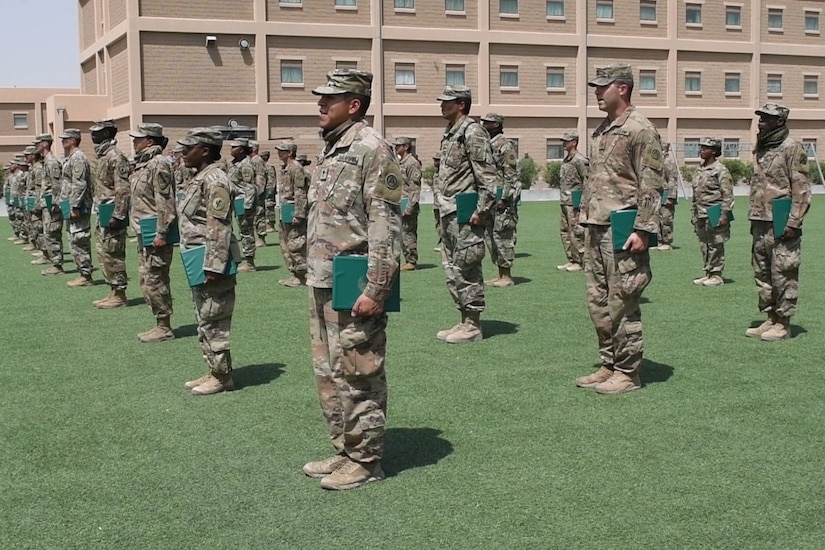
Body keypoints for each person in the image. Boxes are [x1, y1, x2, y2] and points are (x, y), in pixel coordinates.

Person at [302, 68, 402, 490]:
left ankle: (366, 459)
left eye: (331, 98)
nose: (321, 104)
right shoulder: (332, 149)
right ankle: (345, 448)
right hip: (324, 278)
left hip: (354, 280)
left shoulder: (371, 149)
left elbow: (385, 225)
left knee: (359, 369)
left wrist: (376, 288)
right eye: (321, 98)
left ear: (355, 104)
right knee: (329, 371)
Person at [575, 63, 664, 395]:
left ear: (622, 88)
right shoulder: (602, 130)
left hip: (623, 230)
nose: (597, 92)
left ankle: (628, 372)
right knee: (598, 300)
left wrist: (643, 229)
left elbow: (652, 184)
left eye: (602, 86)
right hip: (596, 226)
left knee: (623, 300)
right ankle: (609, 363)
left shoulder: (641, 129)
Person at [177, 128, 240, 395]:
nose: (182, 153)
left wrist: (214, 266)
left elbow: (219, 225)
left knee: (214, 318)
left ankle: (223, 377)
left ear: (204, 150)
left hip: (211, 261)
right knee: (204, 317)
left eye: (188, 148)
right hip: (197, 258)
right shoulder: (198, 178)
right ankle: (214, 369)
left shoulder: (215, 179)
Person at [434, 85, 497, 344]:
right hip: (448, 212)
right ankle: (463, 318)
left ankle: (473, 324)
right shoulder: (451, 133)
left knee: (467, 267)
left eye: (447, 101)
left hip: (466, 214)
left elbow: (488, 178)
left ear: (461, 104)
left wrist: (481, 212)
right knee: (452, 268)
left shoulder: (472, 132)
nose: (442, 105)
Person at [745, 103, 811, 341]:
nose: (761, 121)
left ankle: (784, 323)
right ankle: (771, 317)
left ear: (780, 121)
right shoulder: (761, 147)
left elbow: (801, 188)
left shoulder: (791, 147)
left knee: (784, 272)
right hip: (760, 220)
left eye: (767, 118)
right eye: (760, 117)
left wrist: (794, 222)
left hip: (782, 221)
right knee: (762, 272)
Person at [129, 123, 177, 342]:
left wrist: (161, 233)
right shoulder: (144, 164)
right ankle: (159, 322)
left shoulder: (158, 164)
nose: (134, 142)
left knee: (156, 279)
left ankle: (164, 326)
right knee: (147, 278)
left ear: (150, 141)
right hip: (144, 231)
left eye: (138, 139)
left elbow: (165, 202)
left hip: (155, 234)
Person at [89, 119, 132, 307]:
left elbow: (122, 189)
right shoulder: (104, 156)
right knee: (104, 252)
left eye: (96, 132)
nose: (92, 135)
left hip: (113, 213)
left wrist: (118, 215)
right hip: (104, 211)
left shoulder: (116, 156)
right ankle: (113, 289)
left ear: (107, 134)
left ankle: (120, 294)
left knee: (114, 253)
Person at [480, 113, 519, 287]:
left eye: (487, 123)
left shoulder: (505, 144)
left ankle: (507, 276)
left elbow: (510, 174)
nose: (484, 125)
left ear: (496, 124)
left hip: (502, 199)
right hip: (489, 198)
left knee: (503, 235)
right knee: (491, 236)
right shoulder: (488, 144)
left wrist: (505, 197)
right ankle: (500, 273)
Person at [691, 137, 733, 287]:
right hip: (700, 212)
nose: (701, 150)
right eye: (701, 147)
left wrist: (724, 214)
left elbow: (727, 194)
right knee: (704, 244)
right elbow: (696, 193)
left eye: (705, 148)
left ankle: (716, 275)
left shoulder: (720, 170)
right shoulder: (699, 169)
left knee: (716, 244)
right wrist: (693, 213)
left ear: (714, 151)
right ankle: (708, 272)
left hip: (714, 210)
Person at [60, 128, 95, 287]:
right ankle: (83, 272)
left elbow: (79, 184)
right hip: (72, 205)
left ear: (74, 140)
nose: (62, 141)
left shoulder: (78, 158)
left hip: (79, 207)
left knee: (79, 239)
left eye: (66, 139)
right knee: (74, 239)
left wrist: (75, 206)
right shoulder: (71, 158)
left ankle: (86, 275)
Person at [275, 140, 308, 287]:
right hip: (285, 210)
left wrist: (299, 214)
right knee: (286, 243)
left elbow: (300, 192)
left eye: (282, 150)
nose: (279, 153)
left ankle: (302, 276)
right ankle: (295, 273)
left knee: (296, 244)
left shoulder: (296, 168)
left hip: (293, 210)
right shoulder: (285, 168)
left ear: (290, 153)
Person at [32, 134, 65, 276]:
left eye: (38, 143)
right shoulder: (46, 162)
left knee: (52, 233)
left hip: (53, 205)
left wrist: (56, 203)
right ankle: (54, 262)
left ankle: (57, 266)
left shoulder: (52, 162)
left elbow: (57, 185)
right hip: (47, 204)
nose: (36, 147)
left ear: (45, 144)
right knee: (48, 233)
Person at [557, 131, 588, 272]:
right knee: (565, 232)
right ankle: (571, 259)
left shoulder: (579, 160)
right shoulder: (567, 160)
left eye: (566, 141)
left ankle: (581, 261)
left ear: (574, 142)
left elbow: (587, 181)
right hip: (564, 201)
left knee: (576, 232)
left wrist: (582, 203)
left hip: (575, 203)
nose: (564, 143)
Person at [227, 137, 259, 272]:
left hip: (243, 201)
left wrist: (247, 206)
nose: (231, 149)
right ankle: (235, 258)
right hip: (233, 200)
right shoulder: (234, 163)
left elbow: (249, 187)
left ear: (241, 150)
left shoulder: (246, 165)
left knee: (246, 231)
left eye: (234, 147)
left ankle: (250, 262)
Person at [393, 137, 422, 271]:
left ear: (406, 147)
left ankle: (411, 260)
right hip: (399, 202)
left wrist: (410, 207)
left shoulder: (412, 163)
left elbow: (414, 187)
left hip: (408, 203)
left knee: (408, 233)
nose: (396, 148)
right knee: (401, 233)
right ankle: (406, 258)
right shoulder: (400, 162)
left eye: (398, 146)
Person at [656, 142, 679, 251]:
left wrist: (671, 196)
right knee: (657, 218)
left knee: (666, 219)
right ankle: (659, 241)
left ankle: (667, 242)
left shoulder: (668, 162)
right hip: (657, 195)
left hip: (666, 194)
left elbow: (672, 180)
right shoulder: (658, 162)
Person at [249, 140, 269, 248]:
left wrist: (258, 192)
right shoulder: (252, 160)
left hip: (257, 193)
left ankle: (261, 239)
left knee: (259, 215)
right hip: (252, 192)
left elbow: (260, 177)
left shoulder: (257, 160)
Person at [432, 152, 442, 252]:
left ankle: (445, 245)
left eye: (437, 160)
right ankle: (442, 243)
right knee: (438, 224)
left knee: (445, 224)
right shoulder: (436, 173)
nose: (435, 162)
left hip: (443, 203)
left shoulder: (445, 173)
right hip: (436, 203)